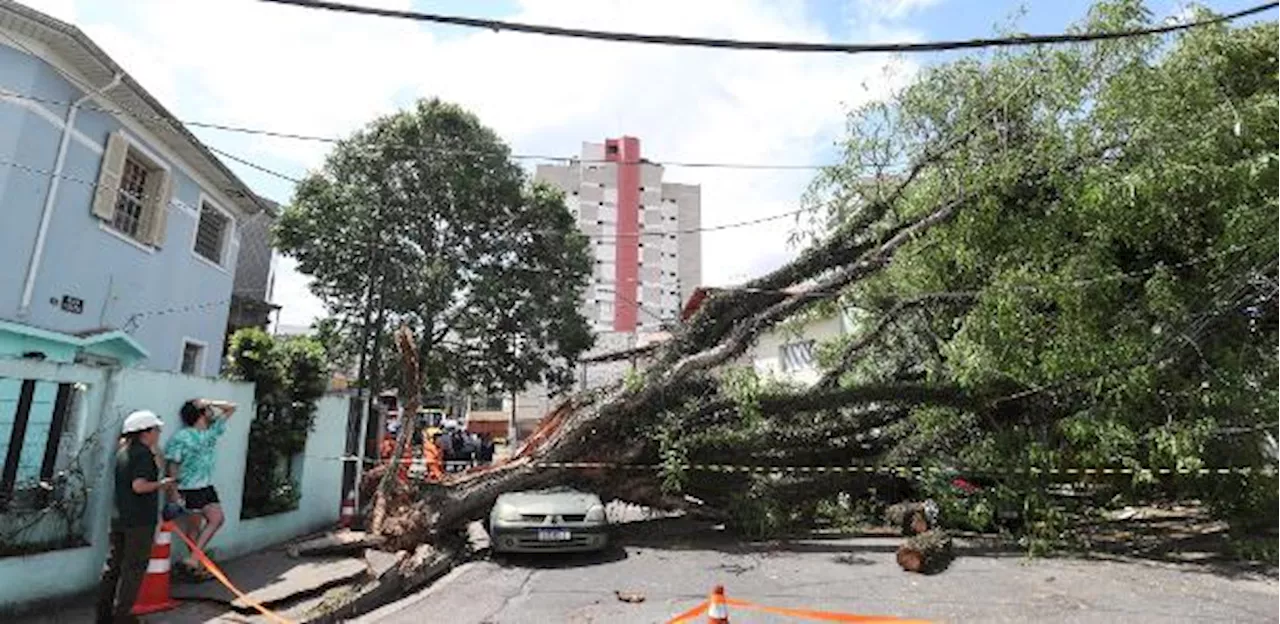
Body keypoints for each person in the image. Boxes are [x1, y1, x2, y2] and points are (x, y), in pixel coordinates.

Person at [97, 410, 173, 623]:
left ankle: (103, 615)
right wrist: (162, 484)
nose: (158, 433)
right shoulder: (142, 454)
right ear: (145, 432)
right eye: (156, 429)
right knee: (134, 569)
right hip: (139, 521)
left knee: (113, 567)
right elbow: (139, 486)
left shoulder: (123, 452)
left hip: (120, 517)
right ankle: (123, 616)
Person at [165, 398, 236, 580]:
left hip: (205, 485)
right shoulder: (181, 436)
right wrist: (174, 491)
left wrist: (209, 401)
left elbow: (232, 408)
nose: (212, 412)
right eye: (208, 409)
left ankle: (194, 559)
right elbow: (172, 463)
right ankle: (195, 565)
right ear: (201, 414)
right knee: (195, 527)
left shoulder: (211, 432)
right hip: (188, 487)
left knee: (216, 519)